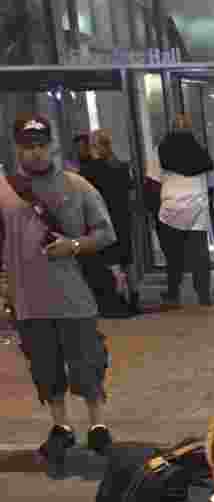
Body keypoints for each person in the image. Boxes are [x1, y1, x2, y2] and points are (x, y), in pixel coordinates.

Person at [0, 114, 117, 466]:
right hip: (28, 302)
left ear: (51, 145)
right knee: (45, 368)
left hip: (75, 299)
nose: (34, 153)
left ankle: (98, 425)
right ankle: (61, 426)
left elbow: (105, 232)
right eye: (26, 146)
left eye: (39, 145)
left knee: (87, 365)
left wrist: (74, 246)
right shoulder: (5, 191)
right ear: (17, 148)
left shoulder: (77, 186)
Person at [157, 113, 214, 307]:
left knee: (173, 254)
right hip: (197, 207)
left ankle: (173, 294)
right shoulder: (201, 151)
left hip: (171, 208)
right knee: (200, 254)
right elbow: (211, 181)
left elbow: (152, 180)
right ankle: (204, 295)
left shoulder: (160, 151)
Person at [82, 129, 141, 314]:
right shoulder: (122, 167)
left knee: (112, 261)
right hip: (123, 218)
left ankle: (120, 300)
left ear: (94, 147)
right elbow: (132, 194)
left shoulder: (90, 170)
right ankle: (134, 297)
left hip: (104, 220)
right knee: (127, 260)